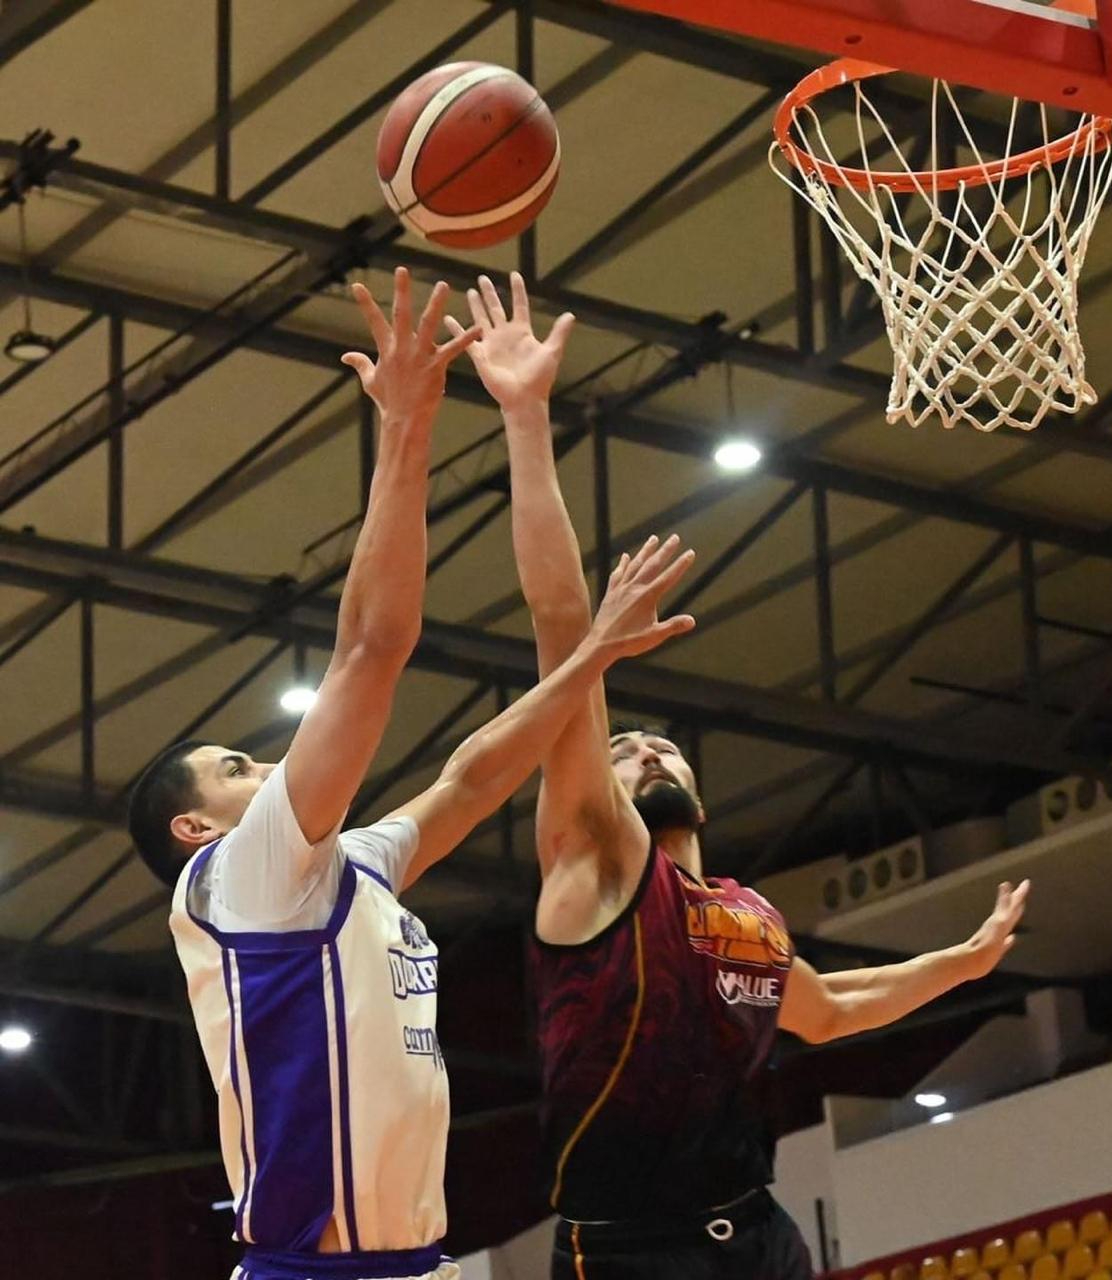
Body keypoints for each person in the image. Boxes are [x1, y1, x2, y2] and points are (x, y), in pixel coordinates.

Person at [451, 271, 1031, 1280]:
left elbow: (829, 1007)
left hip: (758, 1232)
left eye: (660, 743)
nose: (644, 748)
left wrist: (961, 964)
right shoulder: (595, 855)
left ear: (700, 794)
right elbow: (555, 624)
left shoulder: (743, 918)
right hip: (631, 1249)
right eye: (623, 745)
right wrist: (527, 418)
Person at [127, 269, 698, 1280]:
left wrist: (592, 655)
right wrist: (407, 424)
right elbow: (369, 648)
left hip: (419, 1265)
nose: (262, 763)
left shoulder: (340, 875)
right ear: (196, 829)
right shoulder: (242, 876)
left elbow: (469, 784)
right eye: (233, 765)